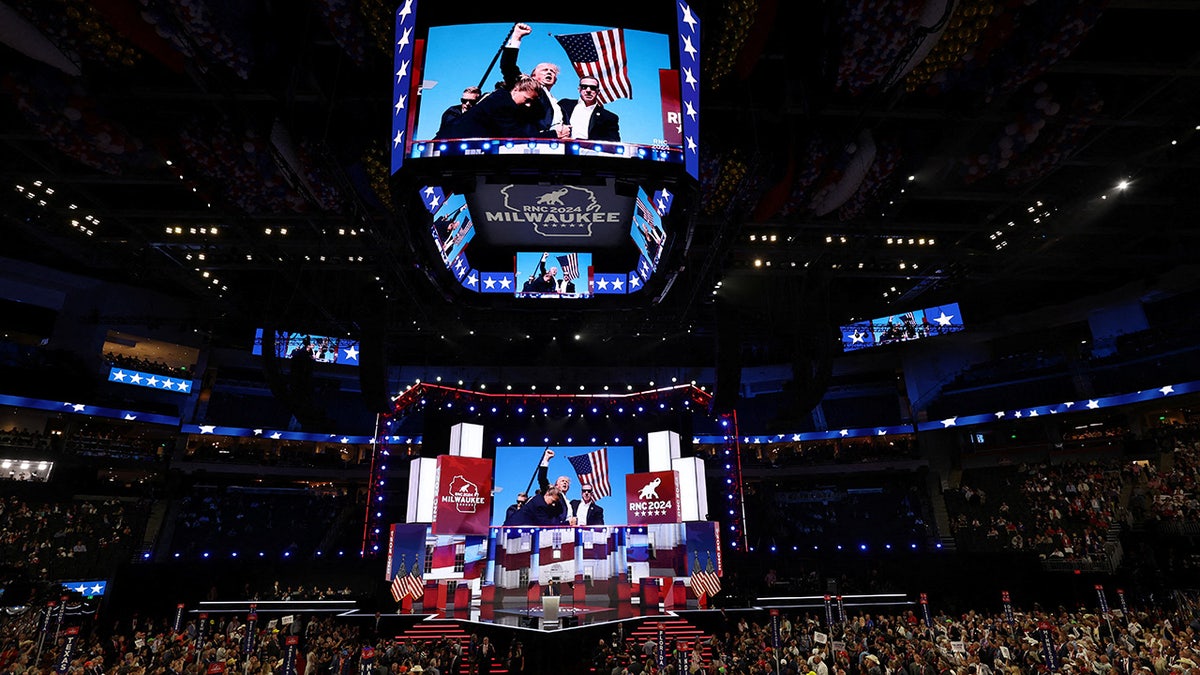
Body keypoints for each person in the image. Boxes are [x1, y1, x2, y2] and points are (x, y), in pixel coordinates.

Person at [500, 22, 568, 138]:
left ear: (555, 80)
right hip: (532, 141)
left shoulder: (558, 104)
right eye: (544, 70)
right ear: (533, 76)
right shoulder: (527, 87)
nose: (549, 72)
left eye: (552, 71)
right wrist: (516, 37)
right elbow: (508, 67)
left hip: (557, 145)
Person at [447, 76, 551, 139]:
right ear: (516, 90)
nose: (528, 105)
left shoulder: (504, 101)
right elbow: (516, 137)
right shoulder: (502, 103)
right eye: (527, 99)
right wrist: (554, 134)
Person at [558, 76, 621, 141]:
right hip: (561, 148)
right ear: (579, 89)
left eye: (593, 88)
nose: (588, 90)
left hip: (590, 150)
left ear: (598, 91)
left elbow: (614, 142)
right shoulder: (564, 105)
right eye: (584, 87)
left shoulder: (609, 117)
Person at [535, 448, 574, 523]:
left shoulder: (568, 502)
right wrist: (546, 459)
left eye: (567, 482)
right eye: (562, 481)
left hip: (568, 531)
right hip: (555, 529)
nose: (565, 483)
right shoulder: (552, 492)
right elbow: (542, 479)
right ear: (556, 484)